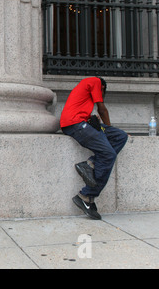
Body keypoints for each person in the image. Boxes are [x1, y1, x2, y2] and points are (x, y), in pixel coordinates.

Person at [60, 77, 128, 220]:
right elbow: (102, 109)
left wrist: (107, 129)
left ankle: (91, 164)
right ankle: (86, 196)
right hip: (75, 124)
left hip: (83, 123)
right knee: (109, 154)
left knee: (120, 136)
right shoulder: (95, 81)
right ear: (103, 88)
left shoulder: (85, 90)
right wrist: (107, 126)